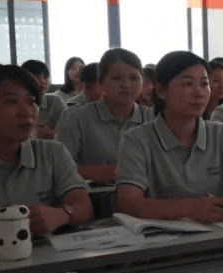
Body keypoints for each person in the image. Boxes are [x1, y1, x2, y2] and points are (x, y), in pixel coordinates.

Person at [116, 51, 223, 222]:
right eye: (188, 84)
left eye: (204, 84)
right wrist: (190, 208)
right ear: (161, 91)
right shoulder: (136, 140)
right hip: (163, 237)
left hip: (221, 234)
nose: (199, 92)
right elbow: (128, 203)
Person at [0, 64, 93, 243]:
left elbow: (84, 208)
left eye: (31, 101)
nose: (27, 112)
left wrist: (62, 214)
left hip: (47, 259)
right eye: (11, 101)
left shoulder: (52, 153)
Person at [55, 49, 153, 185]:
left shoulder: (153, 118)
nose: (126, 85)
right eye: (116, 78)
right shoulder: (76, 118)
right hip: (92, 194)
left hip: (145, 194)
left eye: (134, 78)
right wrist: (83, 172)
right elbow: (55, 168)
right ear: (101, 83)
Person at [20, 59, 65, 139]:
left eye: (45, 77)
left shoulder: (55, 101)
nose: (43, 81)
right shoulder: (17, 105)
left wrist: (51, 133)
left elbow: (71, 132)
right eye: (36, 76)